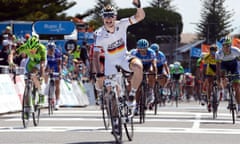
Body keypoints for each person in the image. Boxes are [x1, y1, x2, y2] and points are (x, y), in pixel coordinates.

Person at [93, 0, 145, 134]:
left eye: (111, 16)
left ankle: (132, 95)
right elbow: (96, 56)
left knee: (138, 67)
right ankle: (115, 120)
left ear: (115, 17)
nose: (109, 19)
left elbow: (139, 17)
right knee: (111, 92)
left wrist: (139, 7)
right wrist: (99, 73)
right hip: (110, 64)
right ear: (103, 18)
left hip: (123, 58)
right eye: (106, 16)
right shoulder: (99, 35)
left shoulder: (122, 24)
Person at [8, 35, 47, 111]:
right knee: (27, 82)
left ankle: (41, 94)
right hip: (31, 62)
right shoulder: (25, 47)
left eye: (33, 49)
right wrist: (11, 62)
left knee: (34, 75)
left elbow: (42, 65)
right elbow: (12, 53)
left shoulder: (42, 49)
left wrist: (42, 77)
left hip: (40, 62)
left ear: (37, 46)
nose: (31, 51)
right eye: (30, 49)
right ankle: (27, 107)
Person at [215, 36, 240, 117]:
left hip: (234, 64)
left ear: (230, 45)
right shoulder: (218, 53)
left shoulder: (236, 51)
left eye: (228, 45)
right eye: (225, 46)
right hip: (224, 64)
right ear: (222, 46)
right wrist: (219, 78)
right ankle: (226, 90)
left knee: (237, 87)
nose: (226, 47)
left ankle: (239, 107)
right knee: (223, 75)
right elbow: (218, 67)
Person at [131, 39, 157, 112]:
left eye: (144, 50)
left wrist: (155, 74)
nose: (142, 51)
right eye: (140, 49)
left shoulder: (151, 52)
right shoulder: (134, 53)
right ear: (137, 48)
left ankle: (151, 90)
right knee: (138, 87)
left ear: (147, 48)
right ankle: (136, 105)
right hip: (138, 66)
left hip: (148, 66)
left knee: (152, 72)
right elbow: (131, 64)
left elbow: (154, 64)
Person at [45, 42, 62, 110]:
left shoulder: (57, 53)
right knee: (45, 77)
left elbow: (59, 64)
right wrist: (46, 71)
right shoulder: (45, 53)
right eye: (49, 50)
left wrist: (59, 73)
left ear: (54, 49)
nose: (51, 51)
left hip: (55, 65)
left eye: (52, 50)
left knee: (57, 84)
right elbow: (44, 64)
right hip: (48, 65)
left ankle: (57, 102)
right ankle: (47, 93)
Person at [202, 44, 218, 112]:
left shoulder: (219, 55)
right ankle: (208, 100)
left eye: (214, 51)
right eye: (211, 51)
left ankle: (220, 92)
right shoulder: (207, 56)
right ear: (209, 51)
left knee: (219, 81)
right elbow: (204, 66)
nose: (213, 52)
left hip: (218, 68)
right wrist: (204, 75)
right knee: (209, 83)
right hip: (211, 69)